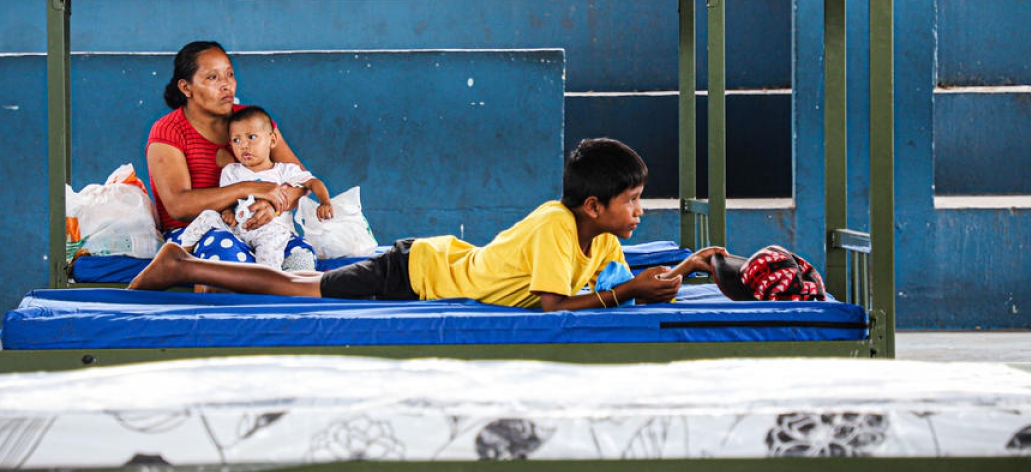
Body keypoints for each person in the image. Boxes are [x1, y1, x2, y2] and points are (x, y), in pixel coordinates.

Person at [131, 138, 729, 312]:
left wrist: (685, 268)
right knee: (296, 290)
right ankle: (179, 264)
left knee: (304, 287)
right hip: (416, 272)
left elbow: (626, 281)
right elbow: (553, 309)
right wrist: (628, 292)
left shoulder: (597, 240)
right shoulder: (556, 224)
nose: (640, 211)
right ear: (593, 205)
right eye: (632, 201)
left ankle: (184, 266)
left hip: (432, 263)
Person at [146, 41, 310, 262]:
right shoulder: (168, 131)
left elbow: (302, 182)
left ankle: (271, 287)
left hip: (260, 228)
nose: (227, 85)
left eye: (230, 75)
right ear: (186, 88)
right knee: (224, 252)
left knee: (301, 256)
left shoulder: (253, 121)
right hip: (197, 233)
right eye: (213, 77)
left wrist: (274, 207)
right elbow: (179, 206)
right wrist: (248, 188)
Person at [175, 106, 334, 271]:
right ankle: (180, 253)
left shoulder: (284, 171)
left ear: (271, 140)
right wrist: (228, 212)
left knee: (284, 245)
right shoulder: (231, 171)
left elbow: (313, 182)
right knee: (208, 216)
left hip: (270, 230)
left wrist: (324, 201)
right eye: (236, 140)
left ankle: (268, 277)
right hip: (238, 229)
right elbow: (226, 200)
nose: (244, 145)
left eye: (251, 137)